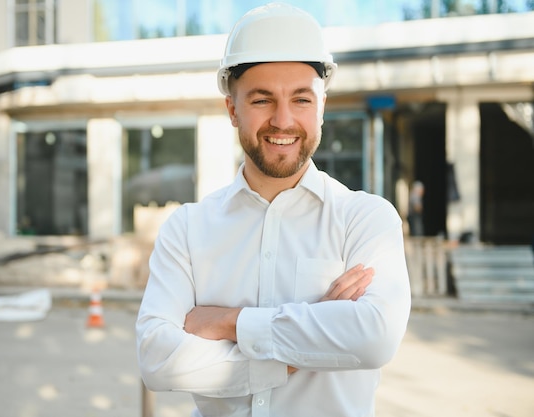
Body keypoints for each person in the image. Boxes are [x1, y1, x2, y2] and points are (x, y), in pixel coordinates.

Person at [136, 3, 411, 416]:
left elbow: (374, 338)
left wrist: (229, 322)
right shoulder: (188, 229)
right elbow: (156, 360)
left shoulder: (365, 219)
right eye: (262, 100)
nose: (283, 121)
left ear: (321, 108)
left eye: (301, 99)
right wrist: (312, 335)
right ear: (232, 109)